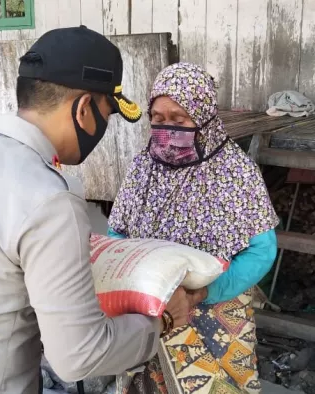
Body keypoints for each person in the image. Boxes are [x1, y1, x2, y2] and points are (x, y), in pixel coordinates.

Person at [0, 26, 192, 394]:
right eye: (107, 115)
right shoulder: (48, 199)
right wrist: (162, 321)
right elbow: (79, 356)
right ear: (84, 110)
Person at [107, 62, 280, 394]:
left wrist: (204, 292)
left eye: (179, 119)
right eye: (158, 119)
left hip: (217, 314)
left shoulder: (235, 170)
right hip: (152, 311)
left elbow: (261, 249)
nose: (166, 127)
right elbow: (118, 234)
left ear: (204, 118)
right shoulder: (144, 167)